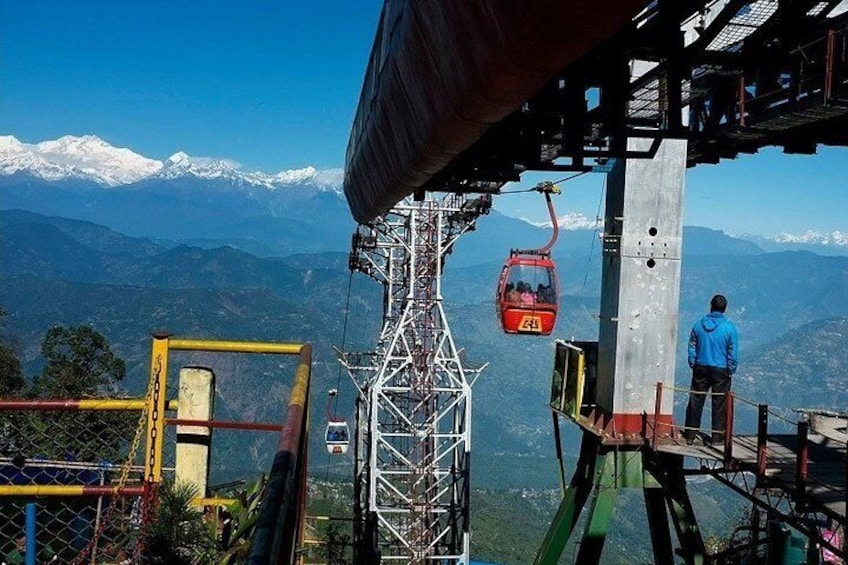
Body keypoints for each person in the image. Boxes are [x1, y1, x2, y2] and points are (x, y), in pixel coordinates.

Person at [683, 294, 739, 446]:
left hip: (701, 366)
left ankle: (690, 434)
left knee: (696, 400)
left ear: (711, 306)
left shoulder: (698, 325)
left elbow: (692, 345)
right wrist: (731, 369)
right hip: (721, 370)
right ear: (725, 308)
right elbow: (732, 352)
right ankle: (717, 438)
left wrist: (693, 361)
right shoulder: (729, 328)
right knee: (719, 403)